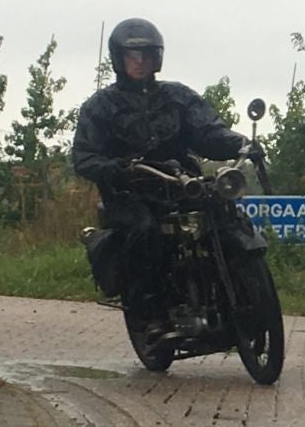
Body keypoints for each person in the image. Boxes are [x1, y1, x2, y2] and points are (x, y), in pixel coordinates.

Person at [72, 17, 252, 326]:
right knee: (145, 230)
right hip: (129, 193)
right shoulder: (99, 107)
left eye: (147, 54)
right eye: (133, 54)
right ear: (119, 58)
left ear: (157, 57)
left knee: (224, 212)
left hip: (181, 183)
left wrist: (239, 143)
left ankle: (240, 285)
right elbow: (84, 157)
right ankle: (148, 306)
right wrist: (118, 170)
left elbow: (207, 132)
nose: (140, 61)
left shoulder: (178, 97)